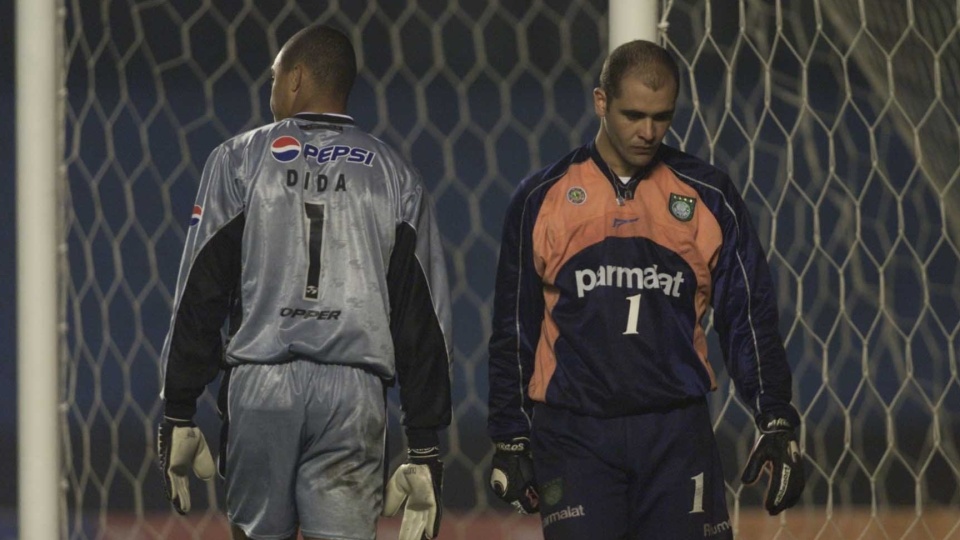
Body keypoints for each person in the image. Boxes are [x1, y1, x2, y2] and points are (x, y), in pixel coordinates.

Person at [486, 39, 805, 539]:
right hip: (575, 433)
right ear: (600, 102)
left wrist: (776, 417)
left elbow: (748, 315)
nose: (648, 131)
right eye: (634, 114)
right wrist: (509, 435)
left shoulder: (709, 196)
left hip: (676, 433)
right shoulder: (541, 198)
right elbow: (514, 326)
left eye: (662, 117)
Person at [155, 24, 453, 540]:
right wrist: (425, 442)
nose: (270, 91)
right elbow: (420, 315)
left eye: (273, 78)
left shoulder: (238, 159)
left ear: (293, 79)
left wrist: (179, 407)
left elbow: (200, 288)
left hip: (262, 383)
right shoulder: (393, 174)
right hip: (354, 393)